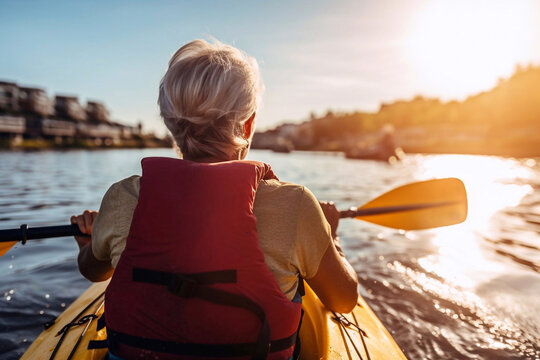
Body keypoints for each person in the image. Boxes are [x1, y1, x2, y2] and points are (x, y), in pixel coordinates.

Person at [71, 39, 358, 359]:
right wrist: (331, 237)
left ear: (169, 123)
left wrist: (88, 242)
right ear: (248, 125)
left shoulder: (121, 199)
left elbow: (93, 271)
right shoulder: (296, 205)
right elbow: (344, 300)